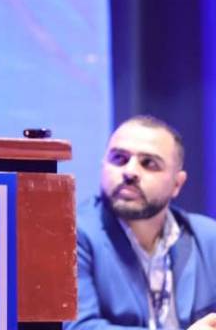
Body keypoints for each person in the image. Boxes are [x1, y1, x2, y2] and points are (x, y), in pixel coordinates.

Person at [67, 115, 216, 329]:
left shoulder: (208, 237)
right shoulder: (72, 235)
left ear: (177, 184)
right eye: (119, 158)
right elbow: (78, 327)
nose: (130, 172)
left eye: (149, 163)